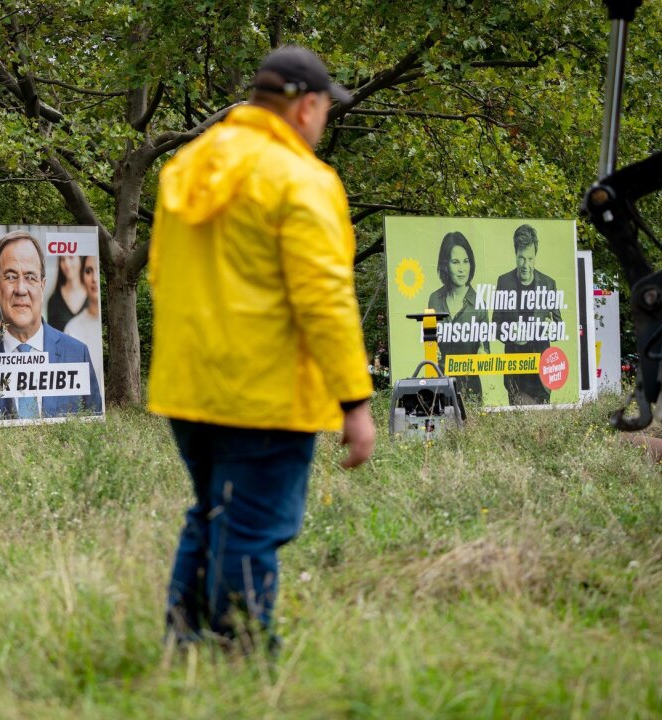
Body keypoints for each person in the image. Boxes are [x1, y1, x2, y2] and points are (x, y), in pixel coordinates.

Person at [147, 46, 375, 651]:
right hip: (265, 395)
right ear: (305, 107)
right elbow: (324, 299)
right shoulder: (302, 179)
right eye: (327, 108)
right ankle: (245, 653)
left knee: (213, 515)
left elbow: (160, 277)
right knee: (251, 527)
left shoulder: (186, 168)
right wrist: (355, 400)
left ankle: (186, 642)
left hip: (189, 388)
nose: (325, 121)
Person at [0, 231, 102, 419]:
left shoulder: (77, 355)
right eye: (11, 277)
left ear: (43, 285)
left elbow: (95, 431)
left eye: (31, 277)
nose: (21, 289)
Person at [492, 223, 562, 405]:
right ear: (515, 255)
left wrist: (551, 326)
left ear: (536, 256)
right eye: (521, 258)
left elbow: (558, 324)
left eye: (530, 259)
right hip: (516, 368)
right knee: (519, 422)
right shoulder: (504, 282)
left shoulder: (548, 284)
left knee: (543, 426)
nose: (526, 265)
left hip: (542, 370)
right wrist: (509, 333)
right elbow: (495, 326)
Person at [425, 231, 490, 399]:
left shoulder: (479, 303)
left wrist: (483, 356)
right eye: (455, 262)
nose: (462, 269)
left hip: (471, 389)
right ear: (446, 265)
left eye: (466, 261)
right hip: (440, 384)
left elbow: (486, 351)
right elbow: (429, 340)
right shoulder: (434, 299)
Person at [62, 255, 103, 381]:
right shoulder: (72, 328)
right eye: (88, 271)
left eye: (98, 270)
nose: (95, 279)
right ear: (82, 277)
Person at [47, 255, 87, 330]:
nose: (67, 264)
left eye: (71, 257)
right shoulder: (54, 301)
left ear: (80, 259)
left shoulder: (92, 296)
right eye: (62, 259)